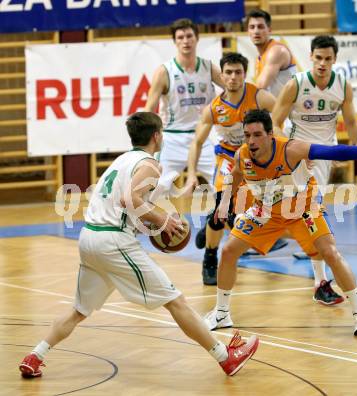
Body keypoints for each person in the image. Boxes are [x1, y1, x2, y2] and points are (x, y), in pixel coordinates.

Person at [18, 112, 259, 379]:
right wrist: (163, 220)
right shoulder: (150, 164)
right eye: (162, 132)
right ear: (157, 136)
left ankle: (35, 355)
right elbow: (127, 199)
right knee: (176, 301)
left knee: (78, 310)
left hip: (90, 238)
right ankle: (226, 357)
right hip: (112, 241)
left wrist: (153, 223)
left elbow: (125, 208)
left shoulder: (121, 160)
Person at [204, 109, 357, 335]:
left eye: (257, 135)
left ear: (271, 134)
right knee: (229, 250)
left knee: (329, 252)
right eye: (247, 135)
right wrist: (224, 204)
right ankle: (221, 313)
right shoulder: (242, 154)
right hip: (267, 210)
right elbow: (237, 175)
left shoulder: (291, 149)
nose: (251, 141)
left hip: (303, 206)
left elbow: (336, 151)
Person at [272, 35, 357, 305]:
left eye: (328, 59)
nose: (323, 63)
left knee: (310, 213)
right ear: (311, 57)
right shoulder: (296, 84)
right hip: (297, 154)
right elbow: (275, 124)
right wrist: (294, 150)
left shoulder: (343, 86)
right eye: (318, 58)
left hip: (324, 154)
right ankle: (320, 281)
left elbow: (351, 122)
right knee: (307, 212)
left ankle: (319, 281)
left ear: (335, 59)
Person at [185, 52, 276, 286]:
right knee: (221, 210)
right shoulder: (214, 109)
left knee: (254, 216)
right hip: (227, 161)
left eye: (238, 72)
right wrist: (192, 173)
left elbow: (281, 120)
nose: (233, 77)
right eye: (228, 72)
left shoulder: (260, 97)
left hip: (255, 161)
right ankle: (209, 258)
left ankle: (210, 227)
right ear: (222, 76)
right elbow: (196, 143)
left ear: (245, 74)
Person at [145, 18, 223, 193]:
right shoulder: (164, 71)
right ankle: (156, 220)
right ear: (175, 41)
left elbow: (234, 90)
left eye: (189, 36)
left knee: (224, 183)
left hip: (205, 136)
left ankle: (226, 218)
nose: (185, 41)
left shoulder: (209, 67)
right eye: (180, 37)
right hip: (173, 136)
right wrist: (148, 139)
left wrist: (218, 107)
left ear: (197, 38)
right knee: (154, 189)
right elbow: (149, 109)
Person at [247, 9, 296, 97]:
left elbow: (260, 88)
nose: (256, 31)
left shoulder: (276, 51)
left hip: (288, 109)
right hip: (275, 108)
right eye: (252, 27)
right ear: (248, 31)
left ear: (269, 30)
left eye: (260, 27)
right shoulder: (261, 56)